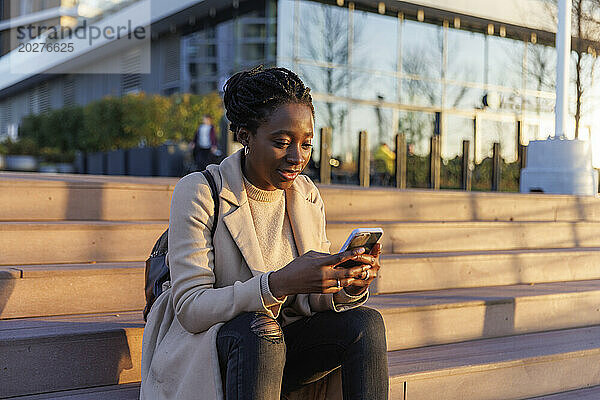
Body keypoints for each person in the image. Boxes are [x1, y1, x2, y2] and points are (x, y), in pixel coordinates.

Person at [141, 66, 388, 400]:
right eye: (281, 142)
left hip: (285, 349)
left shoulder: (307, 194)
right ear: (244, 135)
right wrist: (278, 283)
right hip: (221, 353)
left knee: (365, 324)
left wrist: (345, 286)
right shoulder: (201, 190)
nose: (297, 157)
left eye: (306, 144)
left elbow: (307, 300)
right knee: (259, 332)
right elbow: (191, 307)